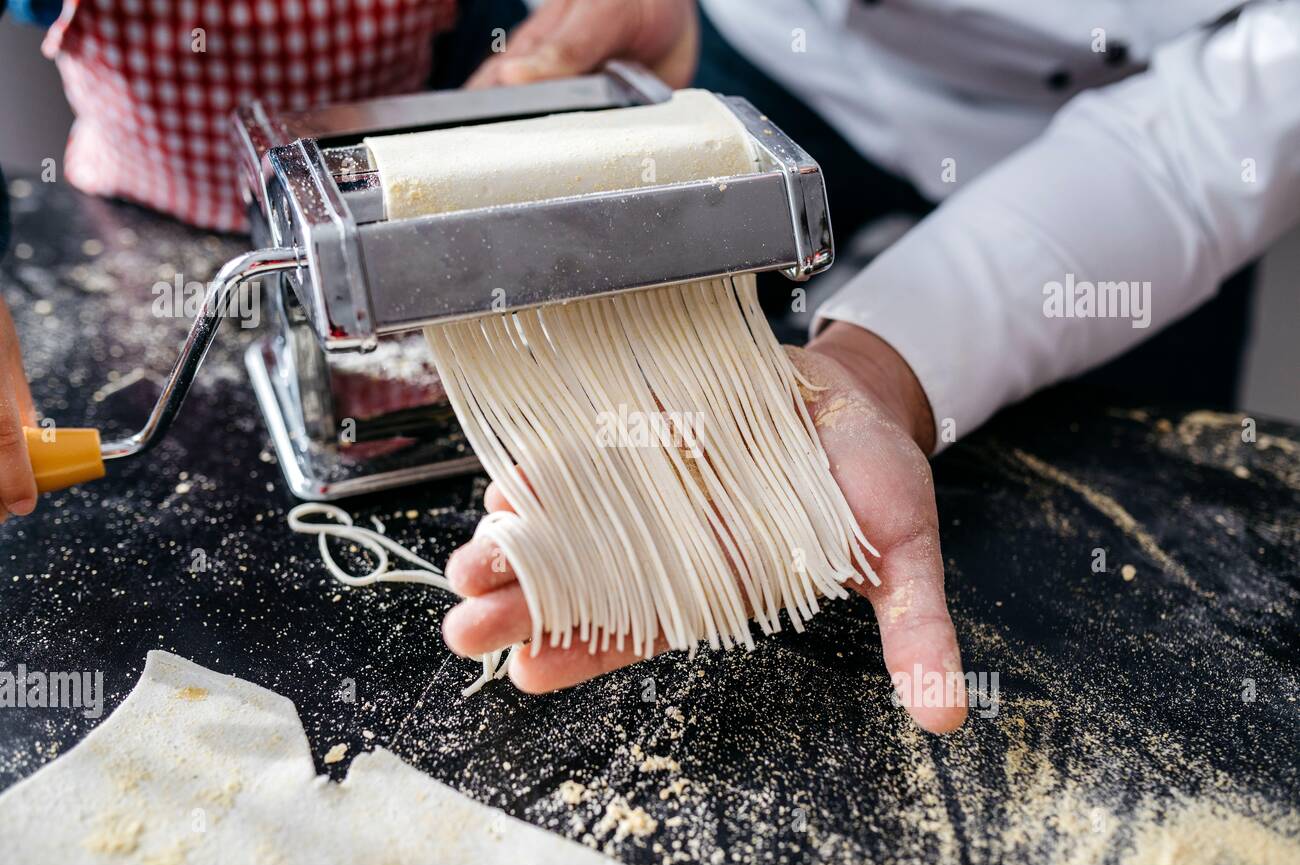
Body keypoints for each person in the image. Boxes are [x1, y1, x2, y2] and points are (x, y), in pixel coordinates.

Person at [4, 1, 1299, 734]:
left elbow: (1219, 132)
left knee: (1106, 500)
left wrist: (890, 369)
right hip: (754, 48)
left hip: (1131, 160)